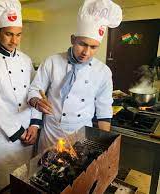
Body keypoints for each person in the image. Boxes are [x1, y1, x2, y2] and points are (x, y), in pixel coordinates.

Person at [28, 0, 122, 153]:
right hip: (52, 132)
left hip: (81, 135)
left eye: (93, 47)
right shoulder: (52, 62)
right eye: (82, 44)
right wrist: (36, 101)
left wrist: (104, 144)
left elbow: (104, 110)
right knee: (44, 170)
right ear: (73, 39)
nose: (86, 52)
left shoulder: (103, 72)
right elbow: (34, 89)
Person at [0, 0, 42, 190]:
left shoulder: (25, 59)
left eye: (18, 35)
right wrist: (19, 132)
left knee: (26, 180)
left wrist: (35, 124)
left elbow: (35, 92)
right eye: (8, 34)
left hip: (29, 131)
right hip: (4, 135)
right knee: (5, 184)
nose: (14, 41)